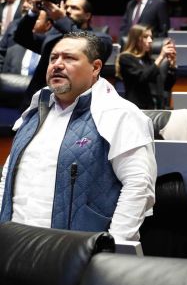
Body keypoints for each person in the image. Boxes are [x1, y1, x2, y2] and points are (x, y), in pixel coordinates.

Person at [0, 31, 156, 242]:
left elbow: (139, 186)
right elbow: (8, 175)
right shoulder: (34, 112)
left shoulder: (120, 114)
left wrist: (113, 246)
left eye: (70, 58)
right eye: (53, 58)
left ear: (96, 67)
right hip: (15, 244)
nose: (57, 64)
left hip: (75, 253)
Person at [14, 0, 112, 105]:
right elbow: (21, 37)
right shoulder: (53, 37)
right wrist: (34, 12)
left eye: (74, 8)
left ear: (87, 15)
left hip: (79, 104)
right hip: (41, 101)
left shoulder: (102, 38)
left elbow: (83, 41)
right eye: (66, 7)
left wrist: (61, 19)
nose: (68, 11)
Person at [117, 25, 177, 110]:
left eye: (151, 37)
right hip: (137, 109)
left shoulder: (150, 61)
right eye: (145, 37)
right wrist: (161, 57)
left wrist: (172, 65)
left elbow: (167, 85)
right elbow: (143, 77)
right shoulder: (126, 58)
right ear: (136, 39)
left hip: (156, 108)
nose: (150, 40)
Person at [2, 8, 52, 75]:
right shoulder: (13, 50)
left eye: (36, 19)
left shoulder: (51, 50)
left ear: (48, 25)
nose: (32, 21)